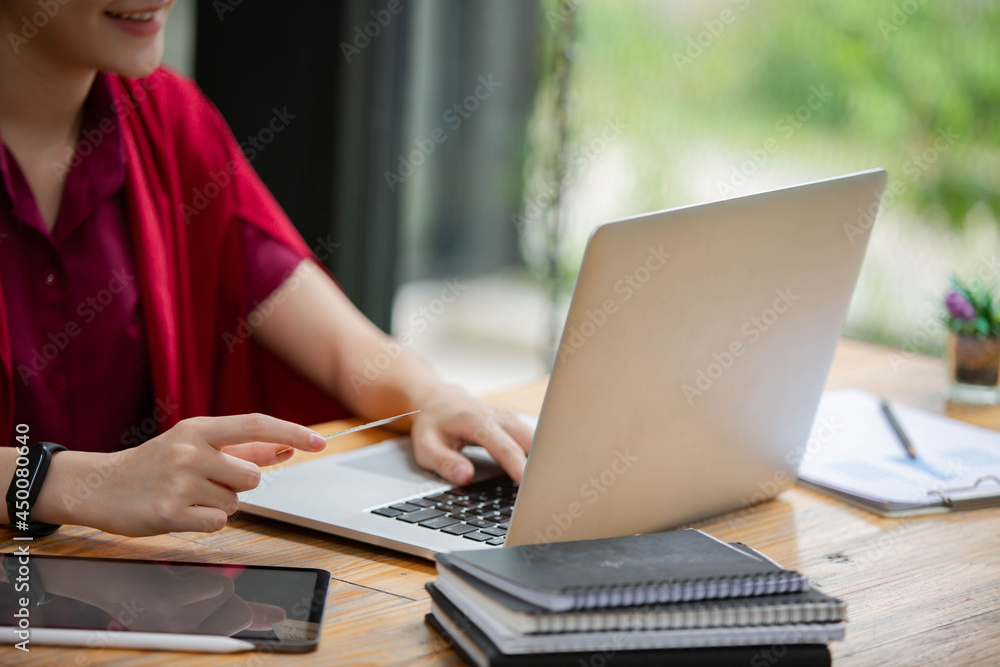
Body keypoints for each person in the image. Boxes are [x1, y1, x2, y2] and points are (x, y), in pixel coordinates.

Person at [0, 1, 533, 537]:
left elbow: (340, 346)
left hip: (144, 589)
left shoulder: (170, 120)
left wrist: (432, 399)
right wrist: (82, 483)